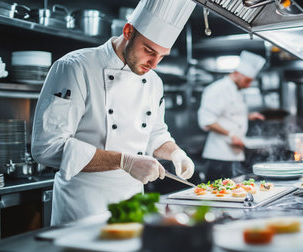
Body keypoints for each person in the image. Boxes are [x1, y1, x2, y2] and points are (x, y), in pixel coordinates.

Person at [31, 0, 196, 225]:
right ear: (128, 31)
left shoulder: (154, 81)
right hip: (83, 208)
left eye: (162, 56)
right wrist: (125, 162)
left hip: (132, 204)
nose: (154, 63)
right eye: (149, 50)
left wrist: (176, 153)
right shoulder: (74, 67)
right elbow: (47, 147)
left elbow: (155, 133)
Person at [197, 51, 266, 180]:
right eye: (247, 80)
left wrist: (248, 116)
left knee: (234, 193)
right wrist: (231, 135)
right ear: (238, 74)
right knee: (218, 196)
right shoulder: (218, 89)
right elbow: (207, 121)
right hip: (219, 157)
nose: (248, 85)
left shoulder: (236, 90)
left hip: (234, 154)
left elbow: (229, 114)